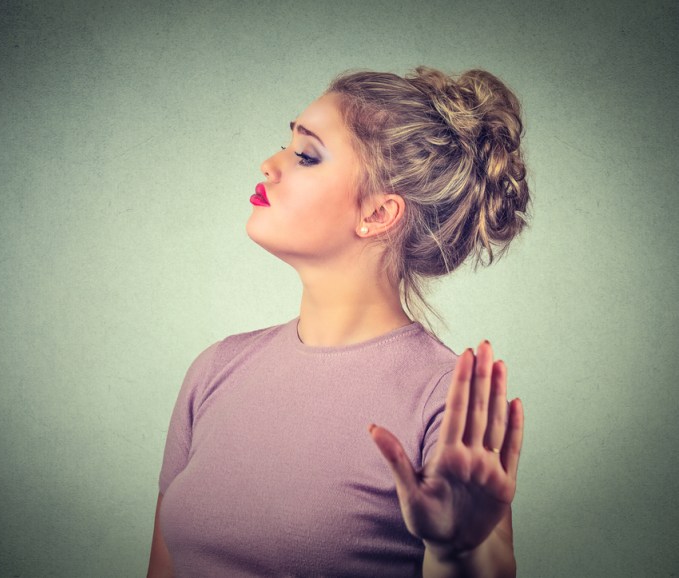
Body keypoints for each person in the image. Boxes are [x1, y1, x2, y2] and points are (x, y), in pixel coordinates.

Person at [147, 66, 530, 577]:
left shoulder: (446, 401)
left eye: (305, 155)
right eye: (285, 145)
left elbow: (477, 560)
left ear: (377, 213)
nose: (268, 164)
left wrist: (463, 555)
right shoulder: (216, 369)